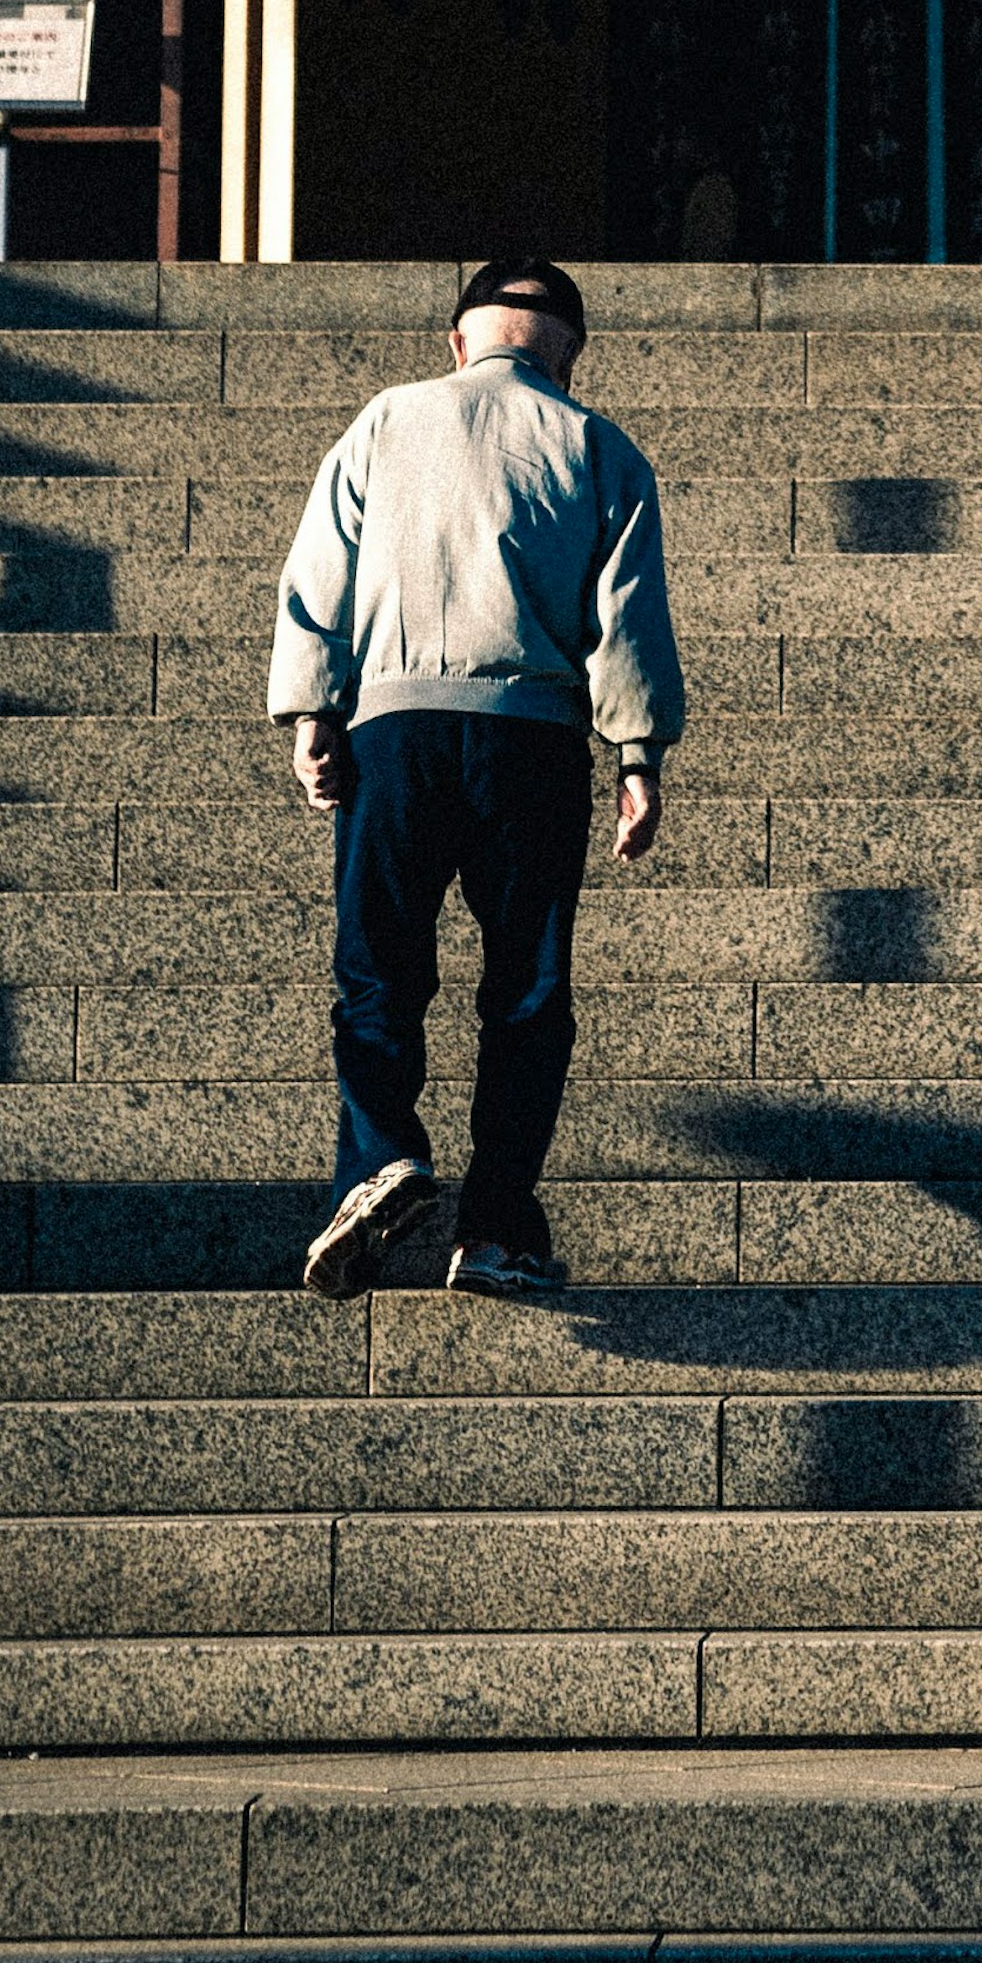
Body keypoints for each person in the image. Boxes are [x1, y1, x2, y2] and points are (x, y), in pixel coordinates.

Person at [267, 252, 683, 1304]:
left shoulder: (386, 419)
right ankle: (495, 1229)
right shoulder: (600, 446)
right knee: (528, 994)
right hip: (533, 742)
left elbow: (319, 571)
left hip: (393, 733)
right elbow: (627, 617)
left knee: (376, 975)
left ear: (460, 340)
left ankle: (379, 1160)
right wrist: (638, 754)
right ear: (568, 357)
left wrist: (312, 710)